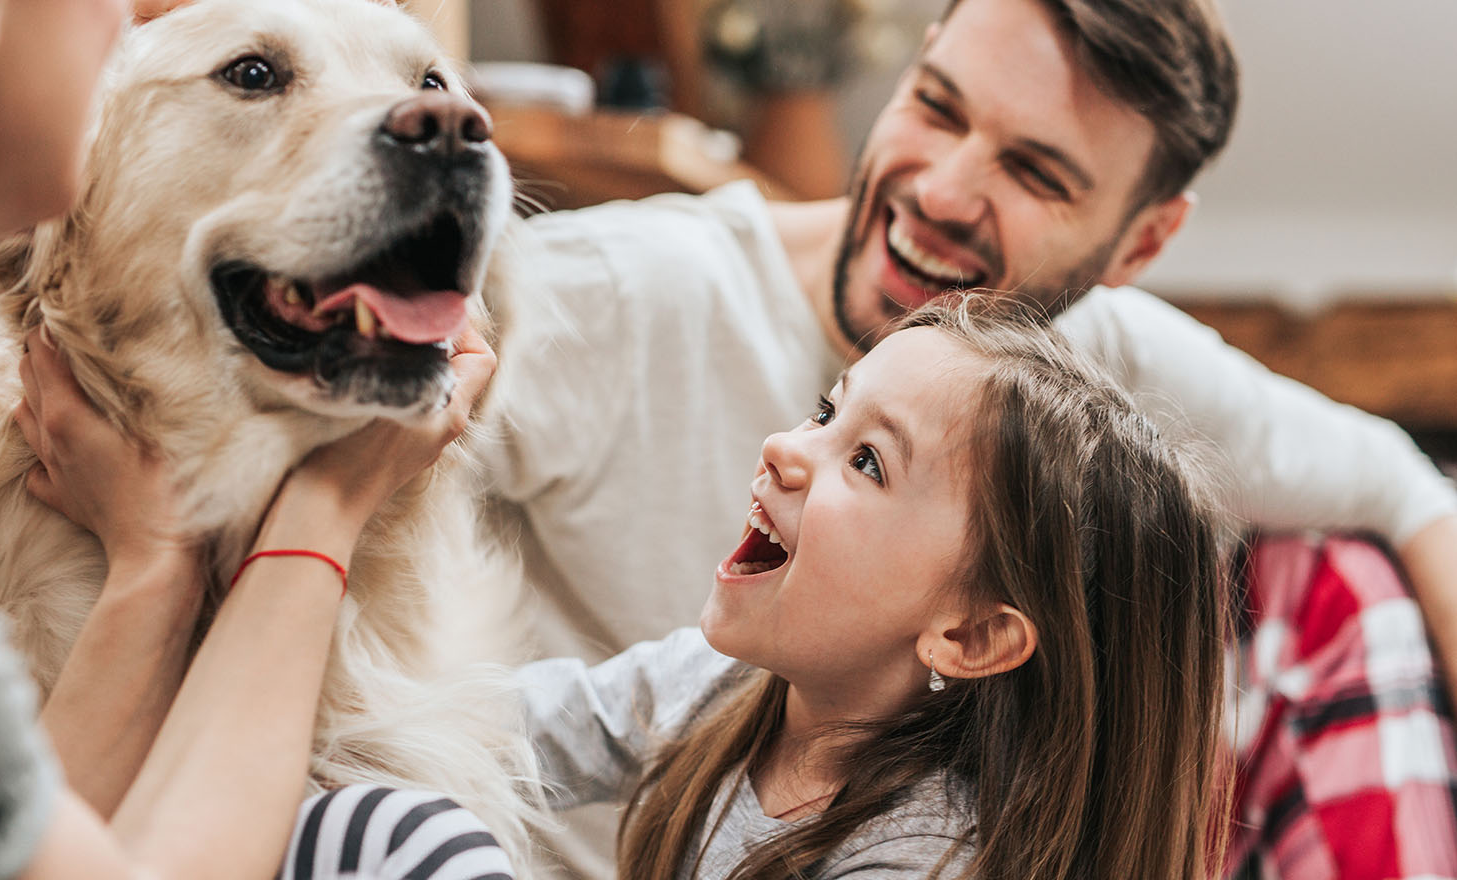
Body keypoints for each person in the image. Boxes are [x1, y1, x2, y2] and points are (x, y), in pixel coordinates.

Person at [467, 0, 1457, 876]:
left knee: (1346, 581)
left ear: (1142, 242)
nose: (940, 192)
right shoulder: (613, 294)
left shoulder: (1083, 377)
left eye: (1033, 171)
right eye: (937, 106)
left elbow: (1404, 490)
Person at [0, 0, 509, 877]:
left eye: (431, 83)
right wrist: (323, 511)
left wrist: (157, 557)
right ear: (44, 257)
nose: (441, 125)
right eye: (254, 75)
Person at [511, 300, 1230, 879]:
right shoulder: (718, 685)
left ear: (969, 636)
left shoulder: (927, 857)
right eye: (826, 413)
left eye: (866, 462)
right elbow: (507, 733)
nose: (785, 447)